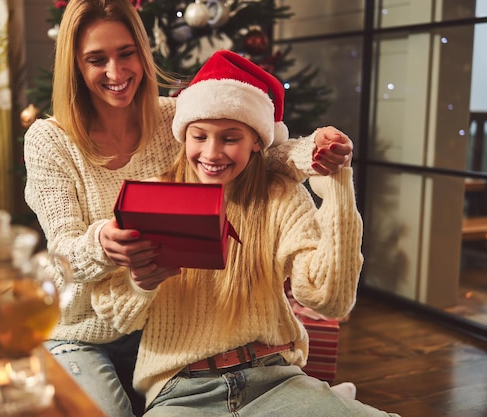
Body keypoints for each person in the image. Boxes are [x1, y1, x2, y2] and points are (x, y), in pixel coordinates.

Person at [23, 1, 353, 416]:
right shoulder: (49, 140)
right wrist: (103, 246)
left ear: (142, 53)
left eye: (126, 53)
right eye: (96, 59)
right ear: (74, 65)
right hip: (84, 330)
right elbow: (61, 259)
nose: (115, 72)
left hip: (162, 329)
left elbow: (249, 151)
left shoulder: (174, 116)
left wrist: (316, 154)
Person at [91, 49, 400, 416]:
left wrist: (337, 189)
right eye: (199, 136)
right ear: (183, 136)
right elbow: (116, 315)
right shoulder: (154, 195)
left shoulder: (279, 195)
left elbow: (328, 299)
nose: (212, 152)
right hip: (181, 389)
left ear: (256, 140)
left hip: (274, 378)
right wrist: (142, 282)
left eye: (230, 138)